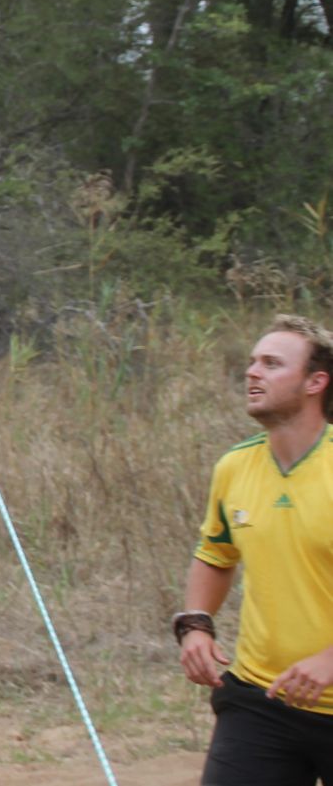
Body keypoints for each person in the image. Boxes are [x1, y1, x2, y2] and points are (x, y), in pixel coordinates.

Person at [178, 314, 333, 786]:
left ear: (315, 382)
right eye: (251, 362)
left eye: (271, 363)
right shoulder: (234, 466)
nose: (252, 372)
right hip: (261, 700)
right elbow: (215, 554)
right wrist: (195, 625)